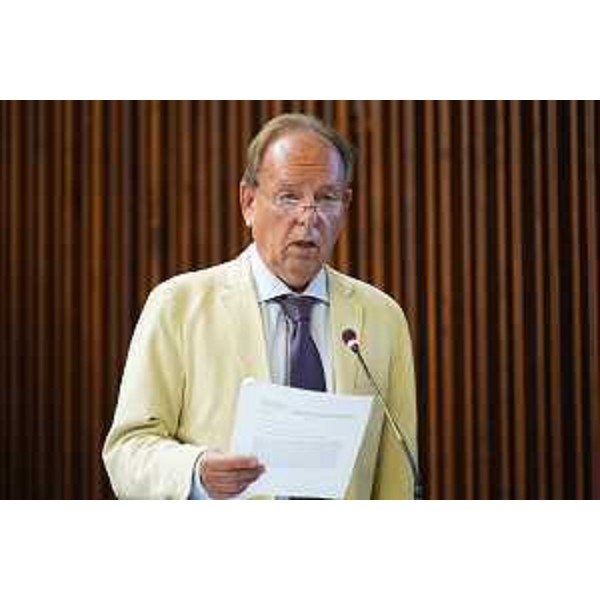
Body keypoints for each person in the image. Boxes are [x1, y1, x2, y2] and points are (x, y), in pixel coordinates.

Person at [103, 113, 417, 499]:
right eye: (289, 196)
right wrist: (196, 471)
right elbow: (126, 449)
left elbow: (397, 478)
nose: (308, 217)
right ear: (248, 202)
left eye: (326, 198)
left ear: (345, 205)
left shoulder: (382, 317)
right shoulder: (178, 306)